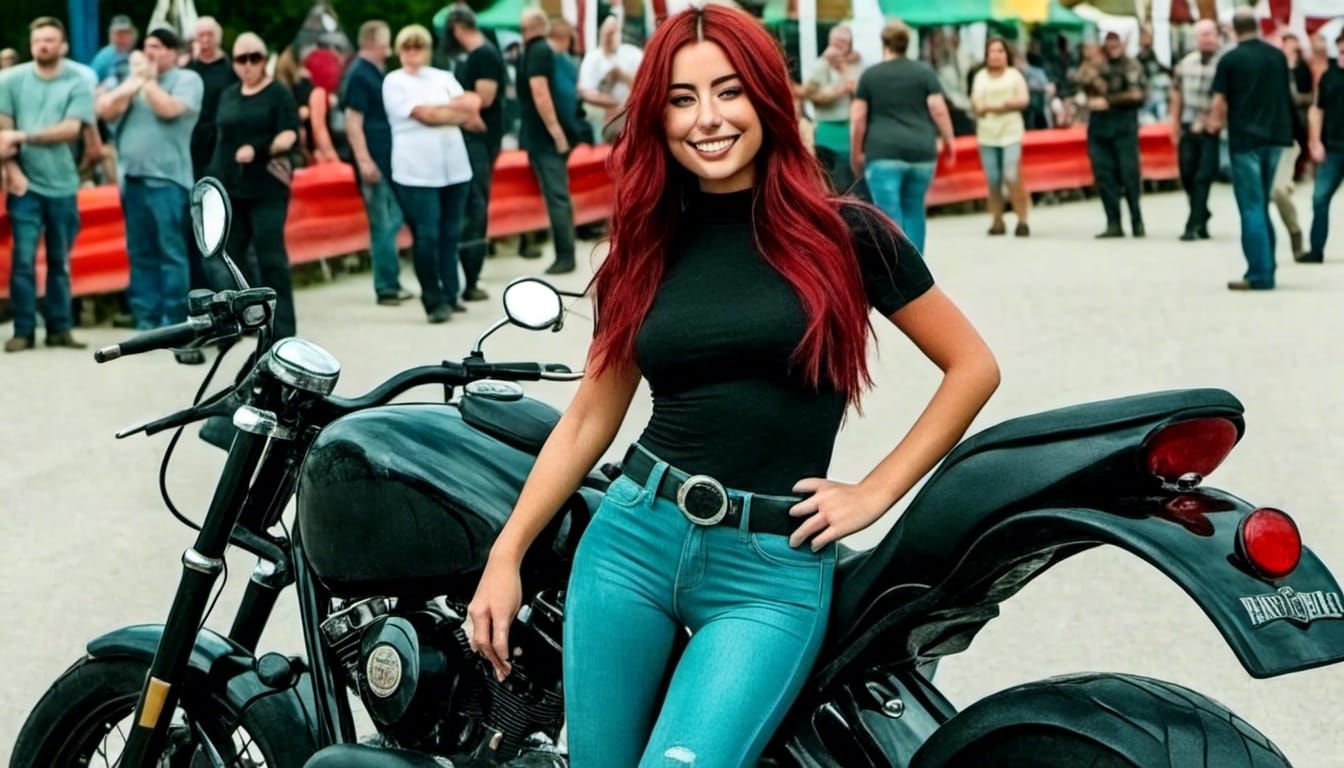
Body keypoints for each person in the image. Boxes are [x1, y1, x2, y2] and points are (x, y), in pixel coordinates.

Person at [464, 8, 998, 766]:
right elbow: (590, 416)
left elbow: (973, 365)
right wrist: (506, 554)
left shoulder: (849, 235)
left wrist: (876, 491)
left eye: (729, 92)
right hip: (631, 544)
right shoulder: (644, 247)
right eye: (682, 100)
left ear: (766, 100)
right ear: (657, 116)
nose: (707, 119)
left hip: (770, 570)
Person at [96, 27, 202, 330]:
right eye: (146, 46)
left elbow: (168, 110)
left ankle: (175, 320)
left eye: (157, 46)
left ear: (172, 52)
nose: (149, 52)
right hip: (133, 179)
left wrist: (148, 81)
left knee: (171, 253)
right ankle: (147, 319)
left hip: (169, 182)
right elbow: (105, 109)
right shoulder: (132, 81)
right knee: (140, 252)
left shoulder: (186, 80)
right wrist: (133, 83)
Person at [0, 17, 94, 353]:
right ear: (31, 43)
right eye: (39, 39)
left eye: (51, 40)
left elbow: (71, 129)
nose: (44, 45)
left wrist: (25, 137)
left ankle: (59, 329)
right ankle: (24, 330)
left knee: (61, 261)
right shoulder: (9, 79)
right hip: (25, 185)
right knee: (22, 261)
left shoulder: (78, 80)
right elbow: (2, 135)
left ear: (63, 45)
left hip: (63, 184)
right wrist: (12, 171)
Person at [383, 23, 481, 323]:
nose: (413, 53)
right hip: (417, 170)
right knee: (427, 234)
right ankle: (433, 297)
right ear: (399, 51)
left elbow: (473, 106)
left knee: (451, 232)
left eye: (418, 47)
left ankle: (451, 292)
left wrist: (446, 112)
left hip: (453, 167)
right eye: (407, 47)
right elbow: (423, 115)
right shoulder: (394, 81)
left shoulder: (442, 76)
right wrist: (452, 112)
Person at [209, 32, 301, 337]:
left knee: (270, 254)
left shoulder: (278, 93)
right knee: (231, 257)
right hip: (233, 188)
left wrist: (259, 149)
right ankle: (249, 320)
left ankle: (283, 328)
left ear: (264, 60)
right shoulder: (230, 94)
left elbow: (289, 134)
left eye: (254, 58)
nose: (248, 65)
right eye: (241, 59)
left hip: (267, 186)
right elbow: (221, 137)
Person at [851, 21, 955, 255]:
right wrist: (949, 140)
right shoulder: (924, 72)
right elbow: (938, 108)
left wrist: (856, 152)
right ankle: (917, 272)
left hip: (883, 152)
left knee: (888, 215)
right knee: (914, 209)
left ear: (884, 43)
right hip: (921, 151)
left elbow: (858, 118)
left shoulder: (870, 76)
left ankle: (898, 273)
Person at [1208, 10, 1294, 291]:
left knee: (1251, 206)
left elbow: (1219, 102)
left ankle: (1259, 273)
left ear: (1234, 29)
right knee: (1263, 205)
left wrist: (1212, 126)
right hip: (1276, 136)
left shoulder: (1230, 59)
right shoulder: (1277, 56)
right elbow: (1287, 94)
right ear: (1257, 27)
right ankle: (1268, 266)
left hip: (1245, 139)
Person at [343, 20, 411, 306]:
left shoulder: (372, 72)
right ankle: (385, 286)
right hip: (375, 162)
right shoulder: (359, 74)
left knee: (391, 221)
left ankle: (391, 280)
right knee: (384, 223)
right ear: (373, 41)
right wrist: (364, 160)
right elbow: (353, 120)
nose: (389, 48)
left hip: (386, 160)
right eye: (386, 41)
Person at [448, 6, 509, 302]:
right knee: (472, 206)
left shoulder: (483, 55)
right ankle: (469, 276)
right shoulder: (481, 54)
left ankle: (471, 277)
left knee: (475, 206)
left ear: (458, 29)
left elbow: (484, 98)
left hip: (479, 141)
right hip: (477, 140)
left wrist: (451, 102)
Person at [518, 9, 580, 274]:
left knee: (557, 197)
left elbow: (540, 92)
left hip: (544, 139)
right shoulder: (539, 51)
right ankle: (563, 252)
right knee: (556, 197)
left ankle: (565, 255)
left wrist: (556, 134)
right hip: (542, 137)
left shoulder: (537, 51)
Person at [1087, 31, 1147, 238]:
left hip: (1123, 127)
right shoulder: (1096, 65)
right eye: (1108, 41)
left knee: (1129, 175)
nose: (1112, 45)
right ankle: (1113, 222)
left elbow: (1138, 94)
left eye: (1116, 41)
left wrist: (1109, 101)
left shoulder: (1131, 65)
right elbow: (1079, 82)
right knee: (1104, 176)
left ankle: (1136, 220)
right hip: (1099, 128)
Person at [971, 37, 1030, 237]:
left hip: (1011, 132)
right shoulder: (980, 77)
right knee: (993, 179)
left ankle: (1022, 219)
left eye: (1000, 51)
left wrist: (995, 106)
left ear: (1007, 54)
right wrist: (1004, 104)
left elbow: (1023, 99)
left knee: (1011, 175)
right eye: (992, 51)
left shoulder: (1014, 75)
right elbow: (978, 105)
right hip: (987, 134)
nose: (996, 55)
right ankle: (997, 219)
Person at [1170, 19, 1222, 242]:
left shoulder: (1224, 64)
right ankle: (1202, 213)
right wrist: (1174, 123)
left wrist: (1215, 121)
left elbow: (1229, 97)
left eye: (1210, 34)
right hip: (1188, 124)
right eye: (1203, 35)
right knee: (1187, 174)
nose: (1207, 38)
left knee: (1203, 176)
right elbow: (1176, 94)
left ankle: (1192, 224)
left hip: (1211, 128)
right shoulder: (1185, 64)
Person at [803, 24, 864, 196]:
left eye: (844, 41)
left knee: (849, 179)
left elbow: (860, 93)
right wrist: (839, 90)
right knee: (828, 178)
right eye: (836, 41)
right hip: (826, 127)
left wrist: (844, 70)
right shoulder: (820, 65)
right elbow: (811, 95)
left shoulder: (855, 64)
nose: (839, 45)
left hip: (849, 127)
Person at [1271, 33, 1313, 260]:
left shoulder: (1295, 72)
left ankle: (1295, 233)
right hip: (1261, 142)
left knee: (1279, 191)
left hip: (1288, 140)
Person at [1304, 29, 1344, 264]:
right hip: (1333, 149)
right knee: (1319, 198)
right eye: (1340, 51)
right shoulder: (1329, 77)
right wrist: (1315, 141)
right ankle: (1316, 249)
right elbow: (1317, 110)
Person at [578, 15, 644, 144]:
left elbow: (644, 84)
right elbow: (585, 92)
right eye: (606, 33)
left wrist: (621, 75)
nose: (609, 37)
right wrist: (613, 104)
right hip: (603, 116)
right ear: (601, 34)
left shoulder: (633, 53)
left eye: (613, 32)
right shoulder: (591, 58)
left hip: (633, 113)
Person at [186, 17, 236, 180]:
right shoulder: (188, 69)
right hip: (192, 139)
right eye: (201, 35)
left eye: (210, 35)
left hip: (220, 139)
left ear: (218, 38)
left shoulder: (230, 68)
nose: (206, 40)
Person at [91, 14, 137, 85]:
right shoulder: (103, 58)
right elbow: (92, 82)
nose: (122, 37)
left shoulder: (135, 54)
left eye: (125, 33)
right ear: (111, 36)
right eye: (118, 34)